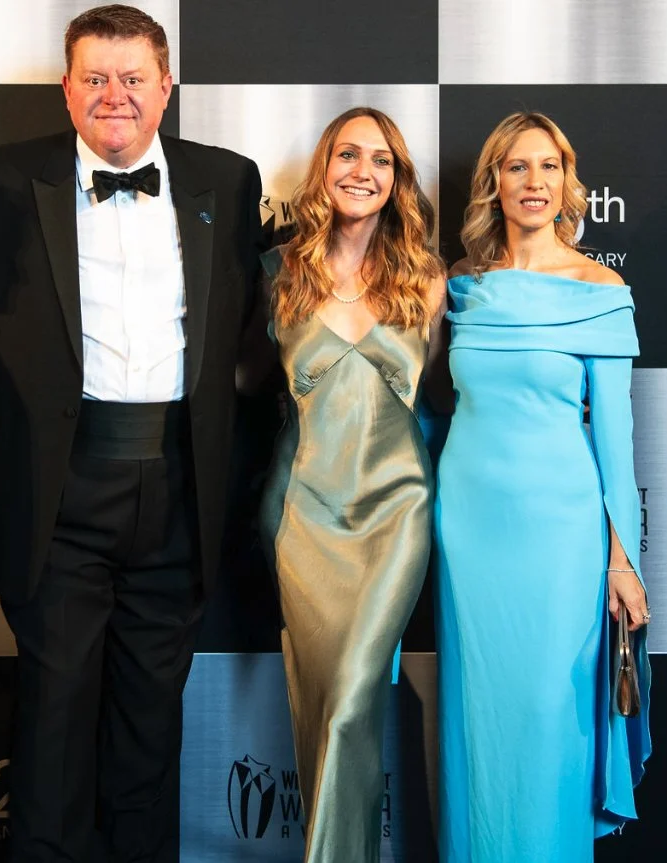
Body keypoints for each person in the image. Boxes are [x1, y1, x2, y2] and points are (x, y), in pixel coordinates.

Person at [0, 5, 264, 860]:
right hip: (57, 491)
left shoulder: (228, 183)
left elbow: (260, 333)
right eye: (95, 78)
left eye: (132, 79)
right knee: (51, 721)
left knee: (151, 722)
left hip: (179, 488)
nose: (113, 96)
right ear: (66, 87)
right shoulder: (3, 180)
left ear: (167, 87)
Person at [435, 111, 651, 861]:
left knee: (548, 714)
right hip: (467, 527)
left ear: (567, 183)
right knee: (478, 719)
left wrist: (622, 560)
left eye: (549, 167)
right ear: (493, 181)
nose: (534, 182)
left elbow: (616, 440)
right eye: (518, 167)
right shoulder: (462, 288)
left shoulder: (599, 288)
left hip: (560, 535)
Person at [255, 107, 447, 860]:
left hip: (397, 513)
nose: (362, 171)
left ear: (397, 181)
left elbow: (443, 397)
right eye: (347, 154)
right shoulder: (276, 272)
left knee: (354, 700)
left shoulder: (427, 280)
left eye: (381, 160)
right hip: (303, 517)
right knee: (324, 707)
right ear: (324, 168)